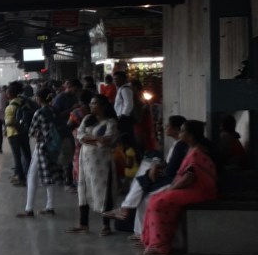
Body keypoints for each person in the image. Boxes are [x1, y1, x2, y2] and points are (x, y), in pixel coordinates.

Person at [138, 120, 218, 255]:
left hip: (200, 191)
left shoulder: (197, 152)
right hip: (192, 188)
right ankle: (149, 240)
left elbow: (189, 178)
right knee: (154, 198)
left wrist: (171, 189)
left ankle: (160, 246)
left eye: (182, 131)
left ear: (190, 136)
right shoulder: (191, 149)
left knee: (159, 203)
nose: (180, 133)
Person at [104, 115, 188, 233]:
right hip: (170, 177)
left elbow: (171, 169)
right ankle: (133, 221)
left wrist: (157, 170)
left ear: (177, 129)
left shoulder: (181, 145)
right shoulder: (177, 144)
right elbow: (168, 163)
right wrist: (156, 166)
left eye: (168, 125)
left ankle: (127, 211)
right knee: (142, 189)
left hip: (172, 180)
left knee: (143, 188)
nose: (164, 127)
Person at [65, 94, 119, 235]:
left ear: (103, 106)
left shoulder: (110, 122)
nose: (91, 106)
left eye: (94, 103)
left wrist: (91, 139)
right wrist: (97, 139)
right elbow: (80, 135)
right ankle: (83, 224)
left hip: (103, 163)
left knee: (104, 191)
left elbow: (108, 139)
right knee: (84, 190)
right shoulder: (88, 119)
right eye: (91, 103)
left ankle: (106, 225)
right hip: (86, 160)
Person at [16, 88, 61, 218]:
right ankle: (50, 206)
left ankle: (29, 209)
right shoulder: (54, 110)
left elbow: (31, 132)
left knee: (31, 176)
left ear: (39, 98)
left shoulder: (39, 113)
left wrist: (38, 133)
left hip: (42, 148)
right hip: (55, 147)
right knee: (49, 175)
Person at [3, 83, 31, 186]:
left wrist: (6, 127)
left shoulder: (10, 107)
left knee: (17, 156)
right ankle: (28, 175)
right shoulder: (24, 102)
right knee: (27, 155)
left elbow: (9, 122)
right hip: (24, 132)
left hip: (13, 134)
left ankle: (20, 178)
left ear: (9, 94)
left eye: (7, 93)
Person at [112, 71, 136, 153]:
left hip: (124, 118)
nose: (116, 81)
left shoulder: (125, 89)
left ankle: (131, 155)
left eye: (118, 79)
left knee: (126, 139)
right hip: (123, 117)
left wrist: (123, 115)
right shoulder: (121, 89)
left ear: (124, 79)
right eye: (114, 79)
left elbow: (128, 104)